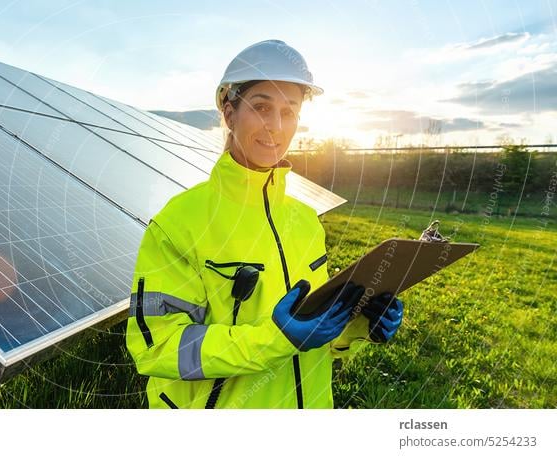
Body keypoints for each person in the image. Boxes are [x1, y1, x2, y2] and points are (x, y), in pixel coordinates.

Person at [125, 40, 404, 409]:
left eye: (289, 112)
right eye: (261, 107)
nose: (275, 126)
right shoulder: (178, 223)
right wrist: (274, 340)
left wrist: (358, 324)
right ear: (229, 113)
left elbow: (312, 337)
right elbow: (157, 347)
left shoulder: (305, 221)